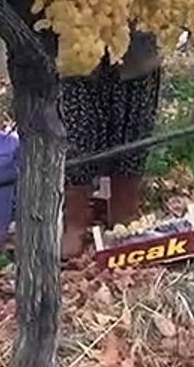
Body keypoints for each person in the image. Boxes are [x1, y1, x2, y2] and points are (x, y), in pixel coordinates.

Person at [60, 31, 161, 258]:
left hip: (134, 43)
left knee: (133, 130)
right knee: (78, 133)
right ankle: (75, 222)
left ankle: (124, 219)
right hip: (75, 40)